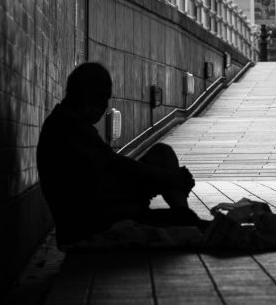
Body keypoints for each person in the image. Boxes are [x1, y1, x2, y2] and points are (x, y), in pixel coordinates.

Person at [37, 62, 205, 247]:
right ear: (84, 95)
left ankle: (184, 216)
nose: (104, 106)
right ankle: (184, 218)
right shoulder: (66, 127)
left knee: (162, 154)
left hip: (108, 206)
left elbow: (114, 165)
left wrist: (165, 179)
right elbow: (116, 165)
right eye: (101, 98)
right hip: (96, 222)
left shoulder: (70, 123)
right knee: (172, 201)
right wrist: (169, 178)